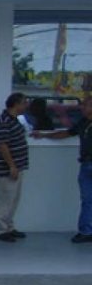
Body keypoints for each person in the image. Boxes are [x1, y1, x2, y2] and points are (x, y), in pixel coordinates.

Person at [32, 96, 92, 243]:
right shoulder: (84, 122)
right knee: (87, 199)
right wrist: (44, 134)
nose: (82, 108)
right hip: (86, 165)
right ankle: (86, 231)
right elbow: (66, 133)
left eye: (85, 105)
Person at [0, 92, 30, 242]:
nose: (26, 105)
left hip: (18, 167)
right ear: (16, 104)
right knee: (6, 199)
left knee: (14, 199)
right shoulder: (4, 121)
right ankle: (0, 230)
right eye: (24, 102)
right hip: (8, 169)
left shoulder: (15, 120)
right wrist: (12, 166)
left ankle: (9, 227)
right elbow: (2, 145)